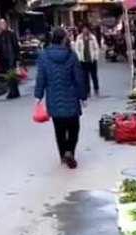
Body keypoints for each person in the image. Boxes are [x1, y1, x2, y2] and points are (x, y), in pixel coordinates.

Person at [34, 28, 87, 169]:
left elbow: (41, 78)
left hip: (53, 98)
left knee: (59, 129)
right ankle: (70, 151)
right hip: (71, 98)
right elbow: (78, 78)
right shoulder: (71, 55)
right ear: (64, 39)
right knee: (74, 127)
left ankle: (63, 155)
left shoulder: (44, 56)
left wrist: (38, 96)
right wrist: (83, 96)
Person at [0, 19, 20, 99]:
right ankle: (14, 91)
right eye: (0, 24)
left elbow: (15, 46)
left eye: (3, 24)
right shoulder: (0, 35)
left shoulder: (11, 33)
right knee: (9, 75)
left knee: (11, 75)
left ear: (6, 24)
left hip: (11, 57)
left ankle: (13, 92)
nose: (1, 25)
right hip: (5, 58)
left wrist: (17, 58)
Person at [75, 25, 100, 96]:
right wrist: (79, 57)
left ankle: (96, 89)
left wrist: (95, 57)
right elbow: (77, 48)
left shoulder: (92, 37)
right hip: (83, 60)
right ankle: (87, 91)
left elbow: (96, 48)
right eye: (84, 29)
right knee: (85, 77)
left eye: (86, 29)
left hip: (92, 60)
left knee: (94, 76)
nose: (85, 30)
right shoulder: (79, 38)